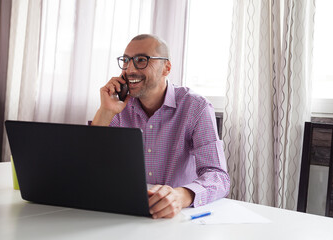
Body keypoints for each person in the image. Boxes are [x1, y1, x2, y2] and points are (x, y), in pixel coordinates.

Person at [92, 34, 230, 219]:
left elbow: (218, 176)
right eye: (126, 61)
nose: (129, 69)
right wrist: (105, 111)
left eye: (141, 60)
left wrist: (180, 196)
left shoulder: (196, 107)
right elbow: (89, 167)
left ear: (167, 68)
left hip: (175, 217)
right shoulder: (118, 106)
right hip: (127, 213)